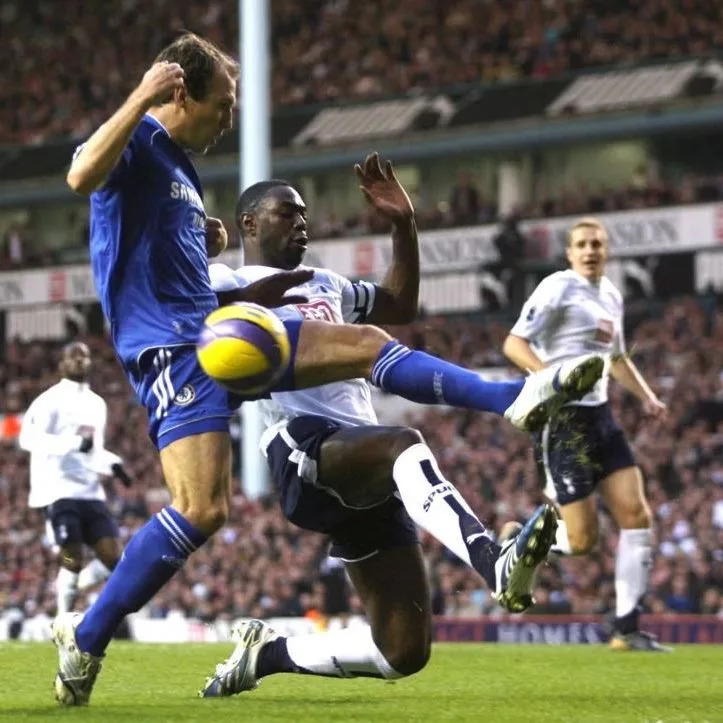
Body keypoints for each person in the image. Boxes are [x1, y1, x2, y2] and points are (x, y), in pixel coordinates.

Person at [52, 31, 602, 705]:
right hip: (174, 349)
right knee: (200, 508)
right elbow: (80, 175)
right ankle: (86, 638)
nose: (230, 117)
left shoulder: (182, 173)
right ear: (178, 92)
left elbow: (392, 301)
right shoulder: (138, 137)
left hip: (218, 333)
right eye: (222, 103)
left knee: (366, 341)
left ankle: (513, 397)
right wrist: (139, 97)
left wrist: (201, 240)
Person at [199, 157, 604, 695]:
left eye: (305, 215)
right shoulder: (226, 282)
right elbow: (183, 312)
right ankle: (493, 556)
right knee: (402, 443)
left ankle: (265, 655)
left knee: (402, 651)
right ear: (249, 223)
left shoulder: (328, 284)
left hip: (361, 458)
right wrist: (193, 249)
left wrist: (402, 226)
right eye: (287, 213)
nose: (302, 223)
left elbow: (400, 304)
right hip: (304, 448)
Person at [502, 217, 670, 652]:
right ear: (570, 253)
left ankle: (626, 629)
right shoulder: (558, 287)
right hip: (564, 422)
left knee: (637, 516)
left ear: (606, 250)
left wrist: (648, 397)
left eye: (597, 243)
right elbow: (514, 344)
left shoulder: (611, 295)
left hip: (602, 416)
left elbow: (615, 358)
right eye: (582, 244)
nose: (591, 250)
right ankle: (518, 541)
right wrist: (549, 380)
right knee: (582, 541)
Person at [18, 342, 131, 616]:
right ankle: (63, 619)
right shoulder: (49, 400)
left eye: (85, 355)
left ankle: (71, 585)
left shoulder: (97, 404)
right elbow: (28, 438)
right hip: (58, 489)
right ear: (62, 364)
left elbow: (93, 449)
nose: (80, 360)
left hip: (90, 492)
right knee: (72, 556)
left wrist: (112, 464)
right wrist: (71, 443)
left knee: (114, 559)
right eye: (73, 356)